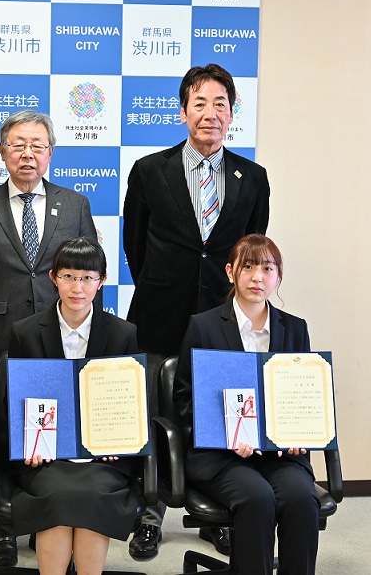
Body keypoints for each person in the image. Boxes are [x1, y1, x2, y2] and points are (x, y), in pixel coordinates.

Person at [122, 63, 270, 558]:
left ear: (233, 113)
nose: (210, 114)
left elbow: (248, 251)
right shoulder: (149, 170)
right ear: (183, 111)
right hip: (161, 309)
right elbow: (134, 246)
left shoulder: (253, 177)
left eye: (220, 105)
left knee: (217, 409)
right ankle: (151, 511)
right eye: (200, 104)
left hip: (221, 318)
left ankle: (216, 512)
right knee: (156, 411)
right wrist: (165, 283)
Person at [0, 110, 99, 566]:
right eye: (18, 145)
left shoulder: (74, 205)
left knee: (54, 429)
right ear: (3, 152)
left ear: (51, 153)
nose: (27, 154)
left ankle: (46, 519)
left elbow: (91, 272)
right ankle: (3, 529)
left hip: (63, 337)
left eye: (37, 145)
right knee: (4, 426)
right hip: (1, 338)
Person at [172, 234, 320, 575]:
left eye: (267, 268)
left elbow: (302, 394)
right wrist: (225, 437)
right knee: (257, 498)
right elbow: (184, 399)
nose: (257, 277)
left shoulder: (295, 329)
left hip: (279, 455)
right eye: (248, 267)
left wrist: (301, 433)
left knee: (301, 500)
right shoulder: (204, 326)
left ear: (278, 275)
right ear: (230, 272)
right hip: (222, 456)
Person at [8, 237, 140, 575]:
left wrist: (119, 441)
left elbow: (129, 401)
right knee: (59, 494)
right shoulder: (25, 333)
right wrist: (28, 445)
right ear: (53, 278)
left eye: (86, 278)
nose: (77, 287)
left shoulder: (123, 333)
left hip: (104, 457)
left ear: (101, 281)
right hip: (45, 455)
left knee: (92, 493)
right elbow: (15, 401)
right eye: (68, 276)